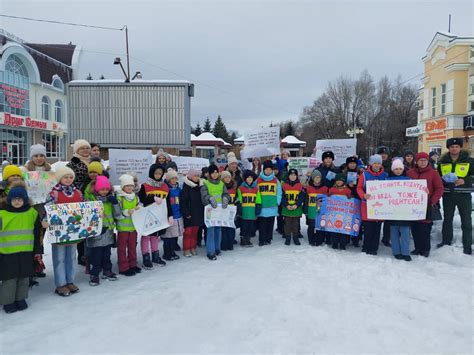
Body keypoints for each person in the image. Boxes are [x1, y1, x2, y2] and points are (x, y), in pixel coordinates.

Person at [0, 185, 41, 313]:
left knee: (24, 277)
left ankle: (20, 298)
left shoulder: (32, 213)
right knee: (9, 279)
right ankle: (8, 301)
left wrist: (38, 250)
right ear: (9, 200)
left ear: (25, 200)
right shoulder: (2, 214)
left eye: (20, 199)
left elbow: (37, 233)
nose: (17, 201)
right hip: (7, 253)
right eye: (14, 199)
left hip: (26, 252)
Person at [46, 167, 84, 296]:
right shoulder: (54, 193)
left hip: (73, 231)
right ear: (60, 178)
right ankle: (60, 284)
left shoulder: (78, 193)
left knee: (71, 257)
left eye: (70, 177)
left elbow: (83, 209)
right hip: (59, 232)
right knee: (59, 258)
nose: (68, 179)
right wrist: (45, 220)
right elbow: (48, 208)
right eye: (65, 177)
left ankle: (70, 281)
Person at [437, 138, 473, 255]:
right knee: (447, 219)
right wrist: (443, 181)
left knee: (466, 221)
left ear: (460, 148)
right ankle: (446, 241)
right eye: (452, 147)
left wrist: (465, 180)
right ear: (448, 148)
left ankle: (467, 245)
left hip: (464, 195)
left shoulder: (469, 161)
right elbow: (438, 177)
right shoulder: (442, 161)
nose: (454, 149)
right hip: (448, 194)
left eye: (457, 146)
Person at [85, 176, 121, 286]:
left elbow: (118, 215)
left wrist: (115, 203)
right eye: (102, 189)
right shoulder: (91, 200)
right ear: (96, 189)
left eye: (106, 189)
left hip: (108, 230)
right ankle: (94, 274)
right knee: (96, 255)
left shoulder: (110, 199)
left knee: (107, 253)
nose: (104, 191)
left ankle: (107, 270)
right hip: (96, 232)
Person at [407, 152, 444, 257]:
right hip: (412, 205)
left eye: (425, 160)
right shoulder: (410, 173)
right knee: (414, 228)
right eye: (420, 160)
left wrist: (433, 201)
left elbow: (439, 188)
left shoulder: (433, 173)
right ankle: (417, 247)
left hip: (427, 205)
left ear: (428, 161)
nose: (423, 162)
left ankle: (425, 248)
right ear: (416, 161)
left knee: (425, 229)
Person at [24, 144, 51, 281]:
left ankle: (37, 266)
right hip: (30, 210)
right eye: (36, 155)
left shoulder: (49, 170)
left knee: (39, 241)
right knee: (30, 240)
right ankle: (28, 269)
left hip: (43, 211)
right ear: (31, 157)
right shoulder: (25, 171)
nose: (39, 158)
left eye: (41, 155)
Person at [138, 164, 172, 269]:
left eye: (160, 174)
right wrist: (153, 198)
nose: (158, 175)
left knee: (155, 236)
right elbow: (141, 199)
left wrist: (170, 215)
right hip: (147, 216)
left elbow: (168, 203)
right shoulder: (145, 186)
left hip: (159, 216)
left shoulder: (165, 187)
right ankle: (146, 257)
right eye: (156, 173)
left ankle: (155, 255)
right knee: (146, 236)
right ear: (151, 173)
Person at [357, 154, 388, 255]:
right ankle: (366, 246)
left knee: (377, 229)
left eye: (379, 163)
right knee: (368, 229)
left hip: (380, 207)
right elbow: (359, 188)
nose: (377, 165)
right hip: (367, 206)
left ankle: (374, 248)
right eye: (375, 163)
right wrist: (363, 195)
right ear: (371, 164)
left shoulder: (385, 175)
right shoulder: (365, 175)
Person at [200, 164, 230, 260]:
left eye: (216, 172)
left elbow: (226, 194)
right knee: (211, 230)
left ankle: (217, 248)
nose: (215, 174)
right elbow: (204, 196)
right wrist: (209, 198)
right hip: (210, 211)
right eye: (213, 173)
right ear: (209, 174)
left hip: (219, 210)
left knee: (218, 229)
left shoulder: (221, 184)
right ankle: (210, 251)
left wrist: (225, 199)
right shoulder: (206, 184)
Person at [116, 174, 142, 276]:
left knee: (132, 246)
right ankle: (123, 267)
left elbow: (138, 205)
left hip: (133, 227)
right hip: (123, 228)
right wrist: (127, 212)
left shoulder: (135, 197)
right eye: (127, 186)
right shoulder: (120, 198)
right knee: (122, 248)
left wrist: (139, 208)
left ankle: (133, 264)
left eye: (131, 185)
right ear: (123, 187)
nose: (129, 188)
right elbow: (117, 212)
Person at [386, 159, 412, 261]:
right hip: (392, 211)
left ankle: (406, 252)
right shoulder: (387, 180)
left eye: (400, 169)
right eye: (396, 169)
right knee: (394, 232)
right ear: (392, 169)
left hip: (405, 212)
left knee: (405, 232)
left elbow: (415, 191)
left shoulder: (408, 180)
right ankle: (396, 252)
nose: (398, 171)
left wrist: (423, 190)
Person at [256, 160, 282, 246]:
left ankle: (268, 238)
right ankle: (261, 239)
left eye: (270, 169)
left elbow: (279, 192)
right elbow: (255, 191)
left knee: (270, 224)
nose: (268, 171)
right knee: (262, 224)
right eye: (266, 169)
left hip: (272, 206)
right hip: (262, 206)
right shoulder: (258, 180)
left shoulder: (275, 180)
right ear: (263, 170)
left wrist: (277, 202)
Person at [180, 169, 204, 257]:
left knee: (195, 232)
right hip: (189, 214)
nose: (197, 178)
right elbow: (183, 202)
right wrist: (186, 213)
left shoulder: (199, 187)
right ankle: (186, 248)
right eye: (195, 176)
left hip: (198, 214)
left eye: (198, 176)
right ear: (190, 177)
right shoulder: (186, 188)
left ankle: (193, 247)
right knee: (188, 233)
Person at [163, 168, 183, 261]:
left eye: (175, 178)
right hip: (169, 215)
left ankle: (172, 251)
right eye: (172, 178)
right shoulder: (166, 189)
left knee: (174, 235)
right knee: (168, 236)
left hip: (177, 215)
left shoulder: (178, 189)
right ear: (168, 179)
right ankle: (167, 253)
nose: (174, 180)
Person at [327, 174, 352, 250]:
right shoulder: (332, 189)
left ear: (343, 181)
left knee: (343, 229)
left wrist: (350, 197)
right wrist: (328, 196)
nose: (338, 182)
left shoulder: (347, 190)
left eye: (340, 180)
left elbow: (351, 200)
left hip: (344, 214)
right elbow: (327, 198)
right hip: (334, 213)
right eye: (337, 180)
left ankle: (343, 244)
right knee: (334, 229)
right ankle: (334, 243)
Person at [237, 170, 261, 247]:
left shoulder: (256, 188)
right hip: (244, 212)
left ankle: (248, 239)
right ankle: (243, 239)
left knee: (250, 226)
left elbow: (258, 200)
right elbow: (239, 199)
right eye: (248, 177)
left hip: (252, 211)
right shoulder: (241, 188)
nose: (250, 179)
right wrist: (239, 209)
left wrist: (257, 208)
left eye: (251, 177)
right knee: (244, 226)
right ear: (245, 179)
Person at [304, 170, 328, 246]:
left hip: (321, 211)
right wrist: (305, 210)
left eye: (319, 178)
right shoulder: (309, 188)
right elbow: (306, 200)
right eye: (316, 178)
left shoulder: (325, 188)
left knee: (320, 226)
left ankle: (319, 240)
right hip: (311, 210)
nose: (317, 179)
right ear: (313, 178)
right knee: (311, 226)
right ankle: (311, 240)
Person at [281, 168, 304, 246]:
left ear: (297, 176)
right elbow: (283, 197)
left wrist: (296, 205)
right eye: (291, 175)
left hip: (296, 209)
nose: (293, 176)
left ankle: (295, 237)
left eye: (294, 175)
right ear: (288, 176)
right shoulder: (284, 185)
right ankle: (288, 237)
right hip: (287, 209)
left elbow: (301, 197)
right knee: (287, 224)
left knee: (295, 224)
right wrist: (286, 205)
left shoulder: (300, 185)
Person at [221, 171, 238, 250]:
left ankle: (230, 244)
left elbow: (237, 199)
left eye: (229, 177)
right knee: (224, 229)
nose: (227, 179)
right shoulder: (220, 187)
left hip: (232, 211)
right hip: (223, 211)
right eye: (225, 177)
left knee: (231, 228)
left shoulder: (234, 187)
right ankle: (224, 244)